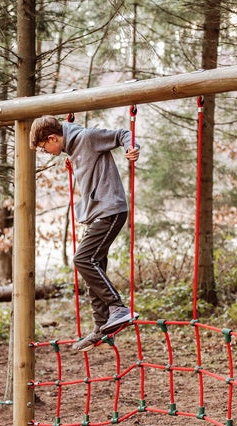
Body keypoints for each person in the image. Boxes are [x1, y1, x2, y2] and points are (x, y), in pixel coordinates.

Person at [30, 115, 140, 352]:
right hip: (98, 212)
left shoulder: (87, 138)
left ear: (52, 138)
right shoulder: (73, 148)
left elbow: (121, 134)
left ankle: (118, 308)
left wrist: (132, 147)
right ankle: (101, 326)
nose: (46, 152)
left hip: (110, 210)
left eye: (43, 147)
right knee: (94, 264)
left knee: (83, 259)